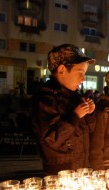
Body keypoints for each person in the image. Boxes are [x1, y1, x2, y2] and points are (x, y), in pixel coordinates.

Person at [31, 44, 96, 174]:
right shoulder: (46, 99)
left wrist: (89, 113)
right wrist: (75, 116)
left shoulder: (75, 97)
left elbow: (90, 130)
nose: (83, 79)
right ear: (61, 70)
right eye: (80, 73)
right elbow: (52, 138)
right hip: (60, 171)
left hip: (81, 166)